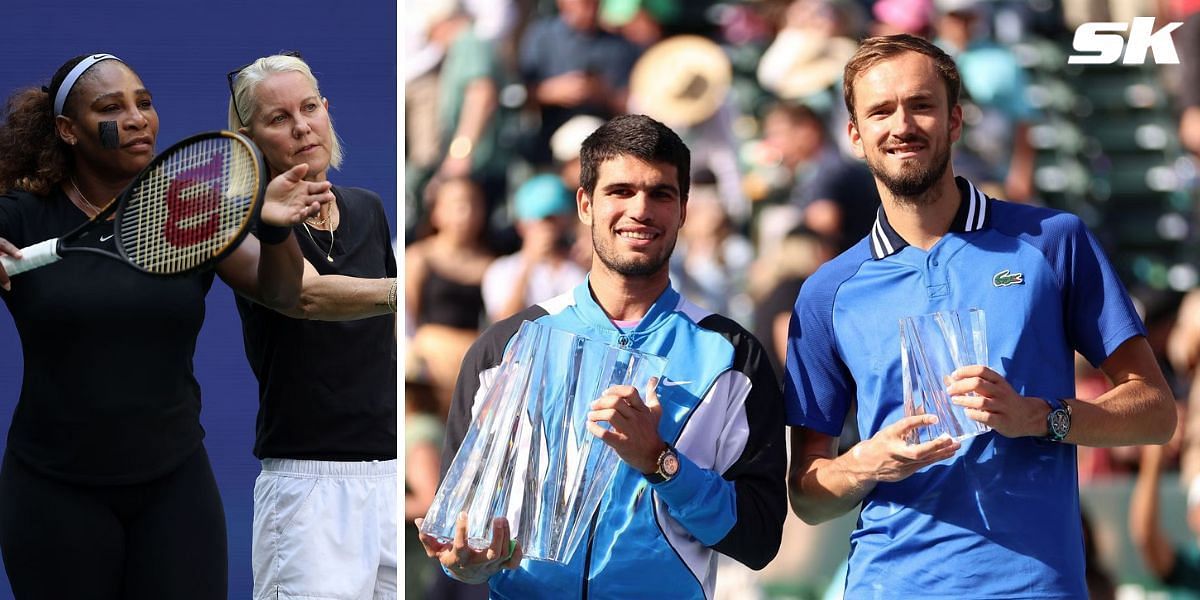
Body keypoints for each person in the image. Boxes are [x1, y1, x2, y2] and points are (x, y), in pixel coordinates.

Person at [783, 34, 1176, 598]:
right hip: (889, 583)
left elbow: (1155, 412)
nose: (903, 125)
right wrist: (867, 462)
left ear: (955, 120)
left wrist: (1039, 417)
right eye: (880, 111)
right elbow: (807, 494)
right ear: (855, 135)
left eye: (921, 105)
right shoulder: (827, 293)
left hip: (1036, 586)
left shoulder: (1051, 242)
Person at [0, 53, 333, 599]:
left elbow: (281, 293)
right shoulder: (20, 215)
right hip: (52, 493)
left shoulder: (187, 212)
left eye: (145, 103)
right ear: (68, 130)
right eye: (112, 108)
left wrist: (274, 232)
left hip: (174, 487)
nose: (137, 119)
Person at [417, 114, 787, 598]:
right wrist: (465, 564)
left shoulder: (734, 358)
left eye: (661, 193)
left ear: (683, 210)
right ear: (586, 203)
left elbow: (759, 540)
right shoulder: (503, 347)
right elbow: (460, 532)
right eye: (621, 191)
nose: (641, 210)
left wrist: (660, 462)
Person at [226, 53, 397, 600]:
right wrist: (401, 291)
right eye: (279, 119)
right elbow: (304, 295)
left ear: (327, 111)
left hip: (392, 478)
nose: (301, 127)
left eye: (309, 109)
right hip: (307, 485)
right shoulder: (240, 220)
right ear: (249, 137)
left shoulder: (368, 208)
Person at [407, 176, 494, 412]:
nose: (466, 213)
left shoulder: (493, 265)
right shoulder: (418, 257)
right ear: (437, 212)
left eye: (475, 205)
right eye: (458, 205)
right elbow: (407, 318)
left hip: (473, 363)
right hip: (428, 363)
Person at [481, 173, 586, 322]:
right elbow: (503, 325)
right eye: (544, 219)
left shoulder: (577, 268)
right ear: (522, 226)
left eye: (557, 219)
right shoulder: (501, 270)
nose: (551, 228)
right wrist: (529, 265)